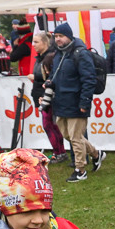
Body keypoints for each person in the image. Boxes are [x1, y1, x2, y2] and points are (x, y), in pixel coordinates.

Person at [50, 23, 106, 183]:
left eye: (61, 36)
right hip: (61, 102)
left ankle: (80, 169)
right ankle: (96, 154)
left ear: (69, 36)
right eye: (56, 36)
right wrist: (48, 84)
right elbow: (55, 75)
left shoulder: (81, 53)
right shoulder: (59, 54)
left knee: (75, 137)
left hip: (77, 102)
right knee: (68, 135)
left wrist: (85, 102)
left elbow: (88, 79)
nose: (58, 39)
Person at [30, 31, 68, 164]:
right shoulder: (40, 57)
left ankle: (59, 152)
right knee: (49, 125)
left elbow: (51, 79)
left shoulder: (51, 57)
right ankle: (59, 152)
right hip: (41, 95)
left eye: (36, 42)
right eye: (33, 41)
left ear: (45, 43)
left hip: (48, 97)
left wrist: (42, 92)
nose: (33, 44)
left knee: (49, 125)